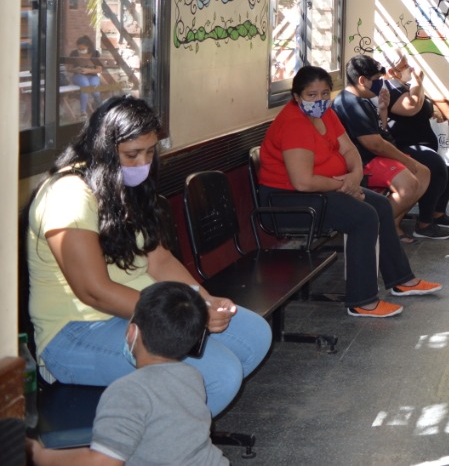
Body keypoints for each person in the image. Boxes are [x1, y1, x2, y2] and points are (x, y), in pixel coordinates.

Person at [26, 97, 271, 416]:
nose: (142, 163)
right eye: (131, 154)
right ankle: (161, 438)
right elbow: (93, 291)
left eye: (150, 152)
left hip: (140, 311)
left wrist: (204, 300)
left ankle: (161, 421)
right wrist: (188, 315)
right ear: (102, 149)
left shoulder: (124, 186)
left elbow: (159, 261)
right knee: (218, 374)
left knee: (254, 336)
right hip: (79, 332)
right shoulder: (68, 194)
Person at [257, 66, 442, 318]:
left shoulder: (326, 114)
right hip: (289, 202)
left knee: (380, 205)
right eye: (311, 95)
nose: (319, 100)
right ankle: (362, 301)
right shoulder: (293, 124)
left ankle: (401, 280)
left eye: (324, 93)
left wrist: (354, 176)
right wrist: (345, 186)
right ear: (296, 97)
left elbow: (349, 150)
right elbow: (303, 182)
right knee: (363, 217)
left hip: (325, 189)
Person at [27, 281, 230, 466]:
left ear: (132, 332)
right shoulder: (192, 376)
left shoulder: (128, 390)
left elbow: (103, 462)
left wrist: (39, 455)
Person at [331, 55, 442, 240]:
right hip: (362, 162)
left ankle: (391, 226)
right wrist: (406, 160)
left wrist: (383, 110)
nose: (380, 83)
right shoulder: (350, 103)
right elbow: (374, 144)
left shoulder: (363, 99)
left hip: (374, 157)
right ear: (362, 80)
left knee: (423, 173)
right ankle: (372, 227)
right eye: (376, 79)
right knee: (409, 184)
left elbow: (380, 133)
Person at [382, 58, 449, 231]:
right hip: (404, 146)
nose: (410, 68)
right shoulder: (388, 89)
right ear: (391, 71)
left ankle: (437, 213)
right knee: (436, 166)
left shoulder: (405, 86)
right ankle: (424, 223)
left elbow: (422, 104)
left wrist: (434, 113)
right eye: (404, 66)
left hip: (426, 142)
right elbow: (411, 106)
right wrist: (418, 82)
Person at [67, 35, 104, 116]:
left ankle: (100, 108)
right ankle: (83, 112)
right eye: (79, 49)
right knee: (85, 85)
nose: (81, 51)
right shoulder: (74, 53)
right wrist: (75, 69)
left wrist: (88, 70)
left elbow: (99, 69)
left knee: (95, 90)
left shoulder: (95, 53)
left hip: (92, 76)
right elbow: (68, 68)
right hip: (78, 75)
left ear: (88, 47)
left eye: (83, 49)